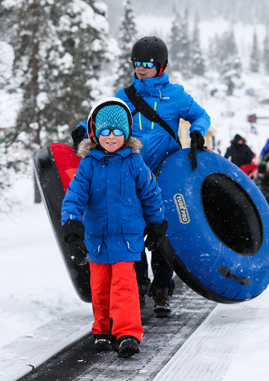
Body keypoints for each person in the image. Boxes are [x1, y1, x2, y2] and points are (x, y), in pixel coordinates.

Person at [71, 36, 210, 317]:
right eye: (137, 63)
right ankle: (138, 285)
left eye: (147, 64)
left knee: (161, 236)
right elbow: (101, 118)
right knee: (131, 234)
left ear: (162, 66)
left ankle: (161, 290)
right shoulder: (124, 97)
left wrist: (197, 131)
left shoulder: (176, 96)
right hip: (129, 179)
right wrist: (82, 130)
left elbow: (201, 115)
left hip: (164, 177)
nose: (141, 69)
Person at [61, 98, 168, 358]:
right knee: (100, 287)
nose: (112, 137)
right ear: (95, 134)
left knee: (124, 287)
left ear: (127, 133)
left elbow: (150, 194)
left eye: (118, 131)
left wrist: (156, 224)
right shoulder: (88, 165)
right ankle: (102, 330)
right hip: (97, 239)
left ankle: (127, 333)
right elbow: (74, 196)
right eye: (105, 131)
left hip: (126, 239)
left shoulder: (134, 162)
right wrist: (73, 227)